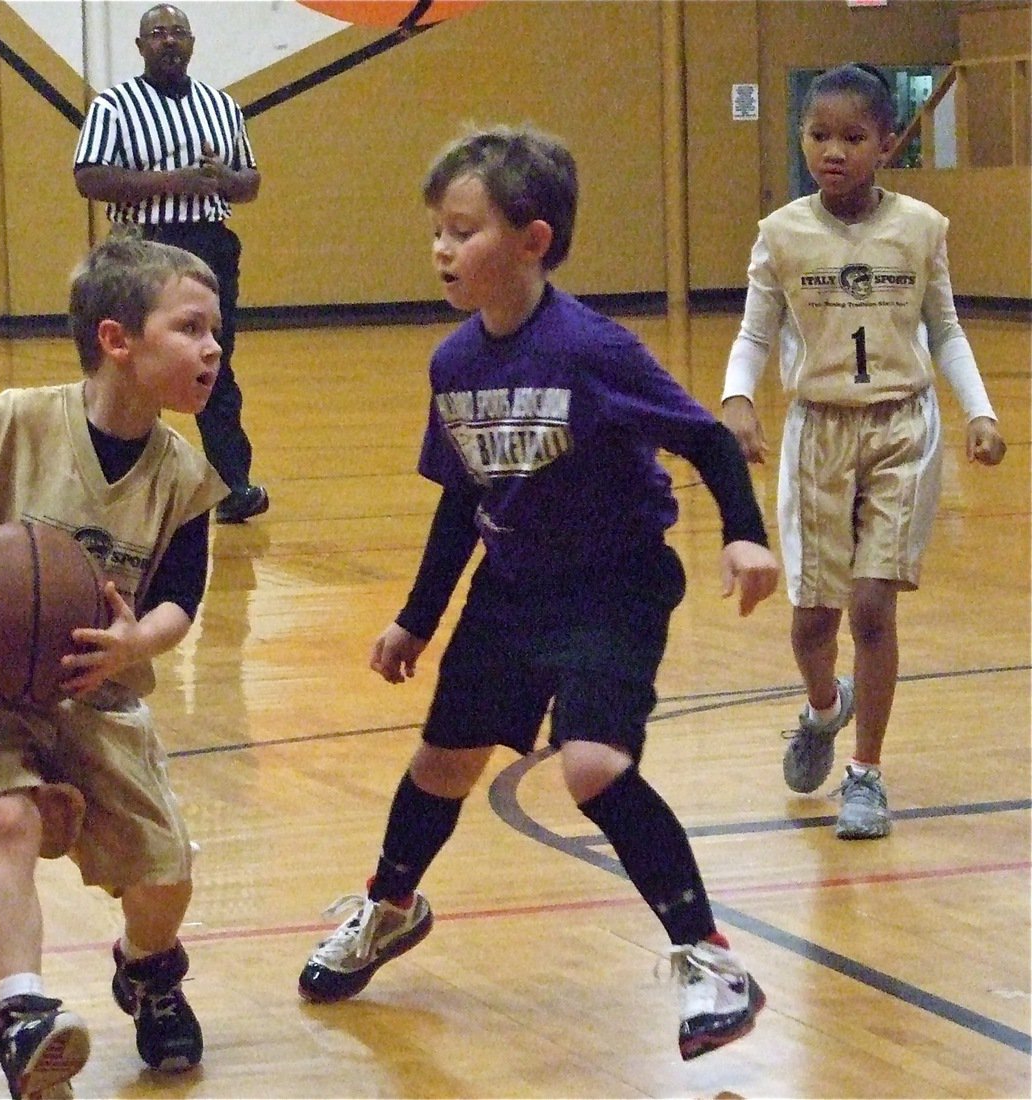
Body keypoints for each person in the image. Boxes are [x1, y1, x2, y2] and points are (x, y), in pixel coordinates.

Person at [297, 125, 780, 1062]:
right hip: (511, 588)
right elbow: (461, 498)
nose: (443, 249)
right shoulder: (455, 364)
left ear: (534, 239)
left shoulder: (592, 349)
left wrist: (747, 536)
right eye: (437, 230)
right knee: (442, 763)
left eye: (464, 231)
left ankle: (711, 958)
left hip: (614, 587)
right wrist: (415, 617)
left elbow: (710, 440)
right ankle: (390, 909)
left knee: (591, 766)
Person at [0, 232, 229, 1098]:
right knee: (6, 820)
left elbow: (180, 603)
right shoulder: (16, 418)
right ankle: (21, 1014)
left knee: (166, 871)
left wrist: (134, 645)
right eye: (191, 328)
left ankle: (148, 969)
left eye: (217, 332)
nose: (213, 349)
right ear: (118, 340)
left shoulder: (184, 475)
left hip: (95, 684)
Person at [720, 63, 1006, 840]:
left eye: (852, 136)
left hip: (901, 429)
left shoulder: (921, 228)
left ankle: (867, 775)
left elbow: (942, 329)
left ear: (887, 142)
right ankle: (824, 707)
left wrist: (978, 411)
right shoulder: (780, 235)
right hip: (819, 430)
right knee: (814, 622)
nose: (833, 150)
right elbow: (752, 335)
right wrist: (737, 398)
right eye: (819, 135)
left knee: (873, 609)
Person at [73, 3, 267, 525]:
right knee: (137, 366)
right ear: (140, 46)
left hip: (209, 247)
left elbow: (250, 183)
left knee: (212, 362)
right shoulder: (114, 105)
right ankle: (121, 480)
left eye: (177, 32)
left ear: (192, 43)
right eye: (157, 33)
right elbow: (89, 177)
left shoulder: (221, 106)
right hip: (143, 249)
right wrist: (168, 181)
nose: (168, 41)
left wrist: (223, 176)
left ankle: (232, 484)